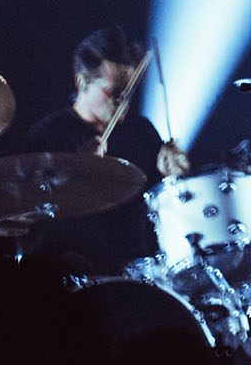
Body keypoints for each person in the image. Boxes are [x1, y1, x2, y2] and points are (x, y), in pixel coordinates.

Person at [21, 25, 189, 273]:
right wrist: (76, 173)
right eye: (114, 92)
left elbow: (165, 208)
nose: (123, 102)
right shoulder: (47, 136)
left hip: (140, 271)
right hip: (73, 273)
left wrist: (171, 178)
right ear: (82, 83)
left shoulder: (141, 130)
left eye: (129, 92)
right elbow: (32, 217)